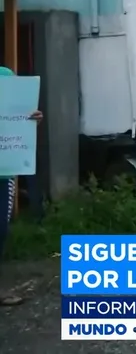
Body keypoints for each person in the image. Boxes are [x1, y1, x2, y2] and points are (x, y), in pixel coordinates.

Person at [0, 66, 41, 307]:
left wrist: (32, 119)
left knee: (1, 230)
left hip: (4, 171)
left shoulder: (6, 77)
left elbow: (20, 113)